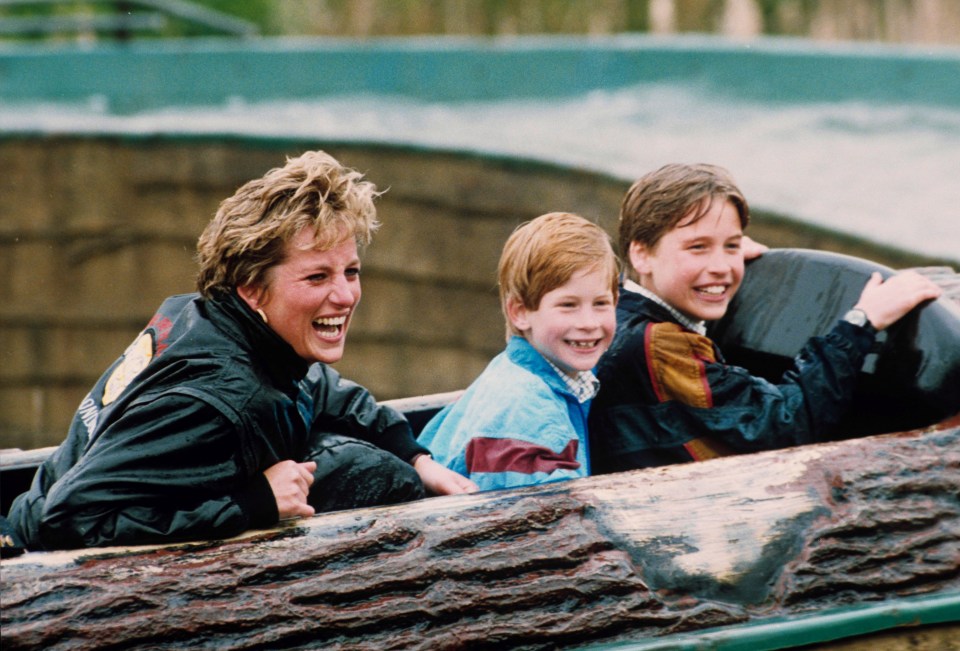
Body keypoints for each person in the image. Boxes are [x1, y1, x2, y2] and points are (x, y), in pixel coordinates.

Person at [7, 150, 477, 551]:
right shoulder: (215, 402)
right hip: (41, 569)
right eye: (317, 276)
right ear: (252, 288)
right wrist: (253, 506)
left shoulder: (208, 318)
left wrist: (415, 455)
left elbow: (317, 386)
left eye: (350, 272)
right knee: (370, 472)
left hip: (44, 506)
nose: (346, 295)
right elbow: (67, 520)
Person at [588, 163, 943, 473]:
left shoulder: (616, 313)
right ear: (642, 254)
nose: (722, 267)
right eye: (697, 247)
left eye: (731, 245)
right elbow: (785, 426)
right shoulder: (659, 345)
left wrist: (708, 259)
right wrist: (861, 323)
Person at [418, 212, 619, 491]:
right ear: (520, 312)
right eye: (568, 305)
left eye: (600, 303)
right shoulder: (530, 418)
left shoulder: (517, 371)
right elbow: (554, 523)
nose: (588, 323)